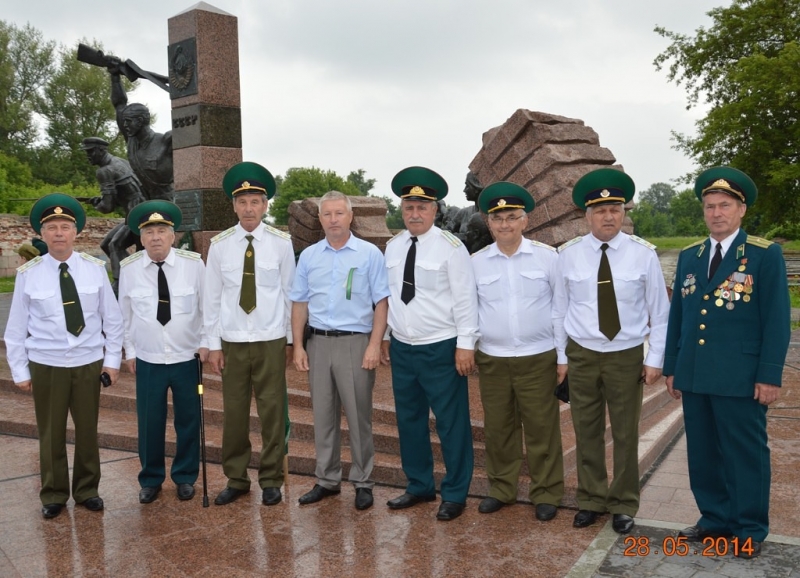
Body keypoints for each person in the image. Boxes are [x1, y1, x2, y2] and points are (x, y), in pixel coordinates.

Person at [663, 166, 790, 559]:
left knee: (744, 455)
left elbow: (776, 320)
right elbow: (679, 318)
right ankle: (714, 519)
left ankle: (749, 528)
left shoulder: (763, 254)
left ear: (741, 210)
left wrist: (769, 375)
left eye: (724, 206)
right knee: (702, 452)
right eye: (709, 206)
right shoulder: (690, 256)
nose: (716, 213)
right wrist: (672, 367)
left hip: (740, 376)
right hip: (696, 373)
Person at [552, 168, 669, 534]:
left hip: (626, 354)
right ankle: (590, 499)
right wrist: (561, 357)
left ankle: (622, 503)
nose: (608, 217)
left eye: (615, 210)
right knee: (585, 430)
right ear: (586, 216)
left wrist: (654, 359)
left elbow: (660, 313)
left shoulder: (643, 255)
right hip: (583, 353)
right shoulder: (568, 255)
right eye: (600, 211)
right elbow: (559, 309)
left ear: (623, 214)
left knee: (624, 432)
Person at [4, 193, 123, 519]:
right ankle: (54, 493)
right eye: (52, 227)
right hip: (47, 364)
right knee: (51, 432)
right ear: (42, 234)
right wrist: (20, 371)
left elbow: (112, 321)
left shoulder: (94, 270)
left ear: (76, 233)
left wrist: (112, 361)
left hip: (87, 363)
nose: (59, 233)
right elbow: (15, 329)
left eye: (65, 227)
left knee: (87, 430)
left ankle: (87, 490)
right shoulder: (29, 274)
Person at [379, 166, 479, 521]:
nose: (415, 214)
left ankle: (454, 492)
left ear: (435, 210)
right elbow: (388, 297)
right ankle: (419, 485)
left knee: (451, 422)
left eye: (422, 207)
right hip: (404, 348)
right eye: (409, 207)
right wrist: (388, 337)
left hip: (441, 346)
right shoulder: (392, 247)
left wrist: (466, 344)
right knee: (409, 420)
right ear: (401, 210)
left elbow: (466, 299)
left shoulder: (452, 248)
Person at [290, 191, 390, 511]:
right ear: (320, 219)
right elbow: (300, 303)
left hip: (355, 343)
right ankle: (327, 479)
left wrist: (375, 344)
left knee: (359, 416)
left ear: (350, 217)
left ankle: (363, 480)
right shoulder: (309, 257)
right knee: (323, 415)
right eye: (327, 214)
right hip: (318, 344)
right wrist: (298, 346)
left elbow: (381, 302)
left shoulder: (369, 254)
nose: (333, 219)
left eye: (339, 213)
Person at [471, 182, 565, 521]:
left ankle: (547, 492)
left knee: (542, 428)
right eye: (498, 219)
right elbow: (469, 309)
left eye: (512, 217)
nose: (505, 225)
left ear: (525, 220)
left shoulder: (547, 257)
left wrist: (563, 356)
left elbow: (559, 308)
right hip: (493, 357)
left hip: (538, 355)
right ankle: (501, 488)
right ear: (489, 223)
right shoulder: (476, 262)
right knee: (498, 428)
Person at [203, 161, 296, 507]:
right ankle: (236, 478)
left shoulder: (281, 244)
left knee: (272, 412)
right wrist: (213, 345)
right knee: (235, 413)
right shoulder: (221, 245)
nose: (248, 208)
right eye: (242, 202)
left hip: (271, 339)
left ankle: (271, 479)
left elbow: (290, 295)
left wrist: (289, 340)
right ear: (233, 205)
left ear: (265, 204)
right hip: (232, 341)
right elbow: (211, 299)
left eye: (255, 201)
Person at [118, 200, 208, 505]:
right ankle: (151, 479)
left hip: (186, 358)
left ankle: (185, 476)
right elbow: (125, 314)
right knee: (150, 421)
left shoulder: (193, 265)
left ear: (173, 235)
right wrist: (129, 351)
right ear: (141, 239)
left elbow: (206, 308)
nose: (156, 237)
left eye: (162, 231)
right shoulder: (129, 269)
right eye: (149, 232)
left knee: (188, 420)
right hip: (148, 358)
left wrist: (206, 342)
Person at [80, 136, 146, 292]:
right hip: (140, 210)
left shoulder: (104, 171)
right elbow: (125, 193)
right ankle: (133, 274)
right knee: (106, 244)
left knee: (115, 245)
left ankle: (121, 283)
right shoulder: (120, 161)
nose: (88, 156)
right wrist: (101, 199)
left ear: (101, 150)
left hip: (136, 215)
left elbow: (107, 208)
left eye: (90, 151)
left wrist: (98, 205)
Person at [109, 65, 173, 201]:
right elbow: (119, 104)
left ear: (139, 121)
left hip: (170, 204)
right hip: (146, 203)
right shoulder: (132, 140)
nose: (124, 125)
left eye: (128, 121)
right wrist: (115, 77)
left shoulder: (166, 141)